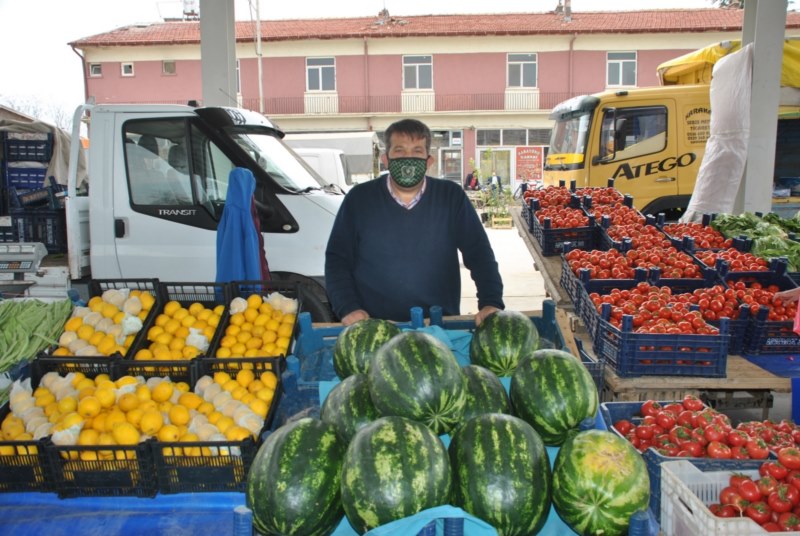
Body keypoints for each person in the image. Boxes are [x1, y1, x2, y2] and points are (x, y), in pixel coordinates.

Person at [325, 118, 504, 326]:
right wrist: (347, 307)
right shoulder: (359, 198)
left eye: (417, 151)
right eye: (399, 151)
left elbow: (479, 254)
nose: (408, 158)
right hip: (372, 325)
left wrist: (491, 301)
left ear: (429, 161)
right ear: (386, 159)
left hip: (438, 325)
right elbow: (337, 258)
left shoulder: (450, 197)